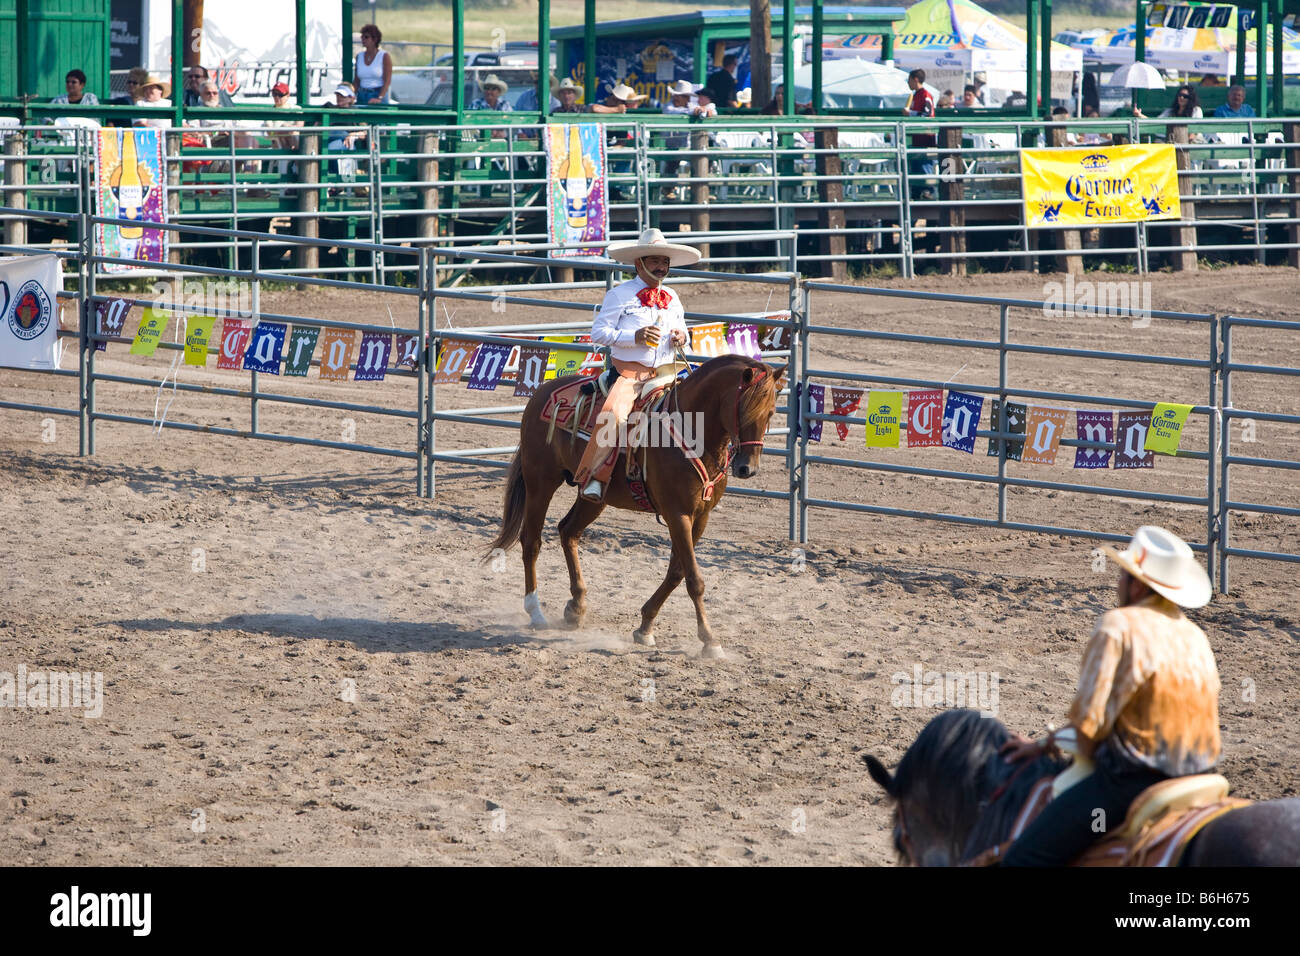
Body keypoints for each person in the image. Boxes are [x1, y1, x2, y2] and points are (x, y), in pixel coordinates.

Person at [998, 526, 1220, 867]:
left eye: (1123, 575)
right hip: (1204, 779)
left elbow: (1089, 726)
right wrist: (1046, 742)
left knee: (1022, 859)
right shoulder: (1195, 637)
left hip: (1131, 784)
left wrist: (1070, 752)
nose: (1117, 582)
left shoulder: (1118, 626)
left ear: (1138, 585)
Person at [574, 228, 700, 502]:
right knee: (615, 415)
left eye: (664, 262)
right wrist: (635, 337)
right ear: (638, 263)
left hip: (669, 372)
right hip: (630, 373)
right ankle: (596, 476)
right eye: (654, 260)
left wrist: (682, 336)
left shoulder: (672, 297)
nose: (661, 267)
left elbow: (684, 331)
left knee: (699, 407)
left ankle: (698, 475)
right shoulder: (620, 295)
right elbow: (599, 333)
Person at [902, 69, 937, 202]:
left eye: (909, 80)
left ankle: (928, 192)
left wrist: (910, 113)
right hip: (917, 137)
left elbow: (928, 115)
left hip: (925, 137)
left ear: (915, 79)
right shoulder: (916, 95)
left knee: (924, 166)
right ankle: (917, 192)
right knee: (916, 166)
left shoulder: (925, 94)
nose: (908, 83)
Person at [353, 23, 392, 105]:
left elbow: (387, 80)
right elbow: (357, 81)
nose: (363, 39)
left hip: (377, 93)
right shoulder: (359, 56)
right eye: (362, 37)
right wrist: (352, 95)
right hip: (361, 94)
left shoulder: (384, 56)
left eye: (366, 37)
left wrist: (379, 97)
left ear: (375, 39)